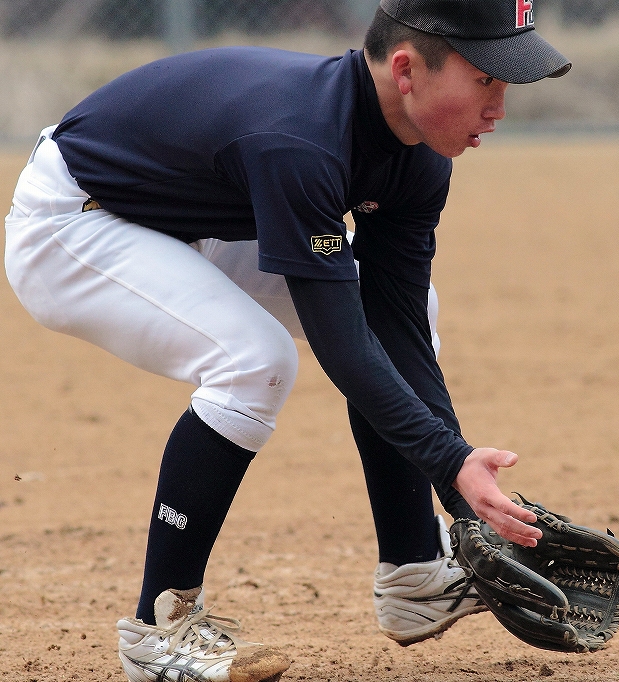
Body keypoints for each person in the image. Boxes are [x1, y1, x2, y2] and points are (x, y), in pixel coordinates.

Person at [3, 0, 570, 679]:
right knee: (255, 362)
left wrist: (458, 496)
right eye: (486, 79)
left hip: (182, 221)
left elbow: (395, 328)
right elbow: (343, 344)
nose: (499, 106)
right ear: (406, 69)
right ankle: (159, 633)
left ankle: (416, 576)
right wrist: (450, 465)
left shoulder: (417, 158)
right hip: (75, 223)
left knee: (415, 304)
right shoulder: (300, 140)